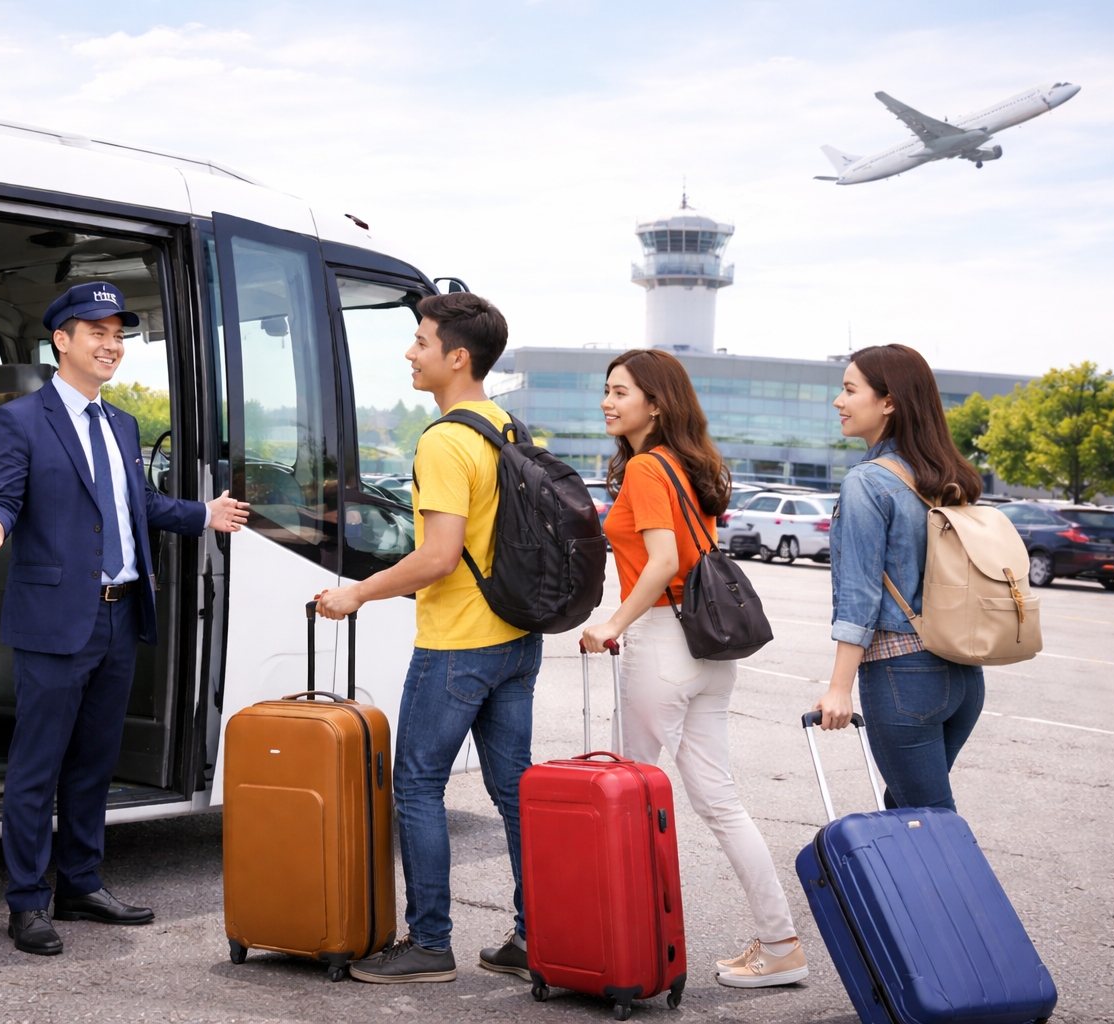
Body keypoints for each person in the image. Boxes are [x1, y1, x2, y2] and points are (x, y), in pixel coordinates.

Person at [0, 281, 249, 957]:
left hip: (119, 617)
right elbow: (0, 496)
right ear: (62, 341)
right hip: (57, 620)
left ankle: (81, 883)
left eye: (118, 335)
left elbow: (137, 505)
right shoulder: (20, 420)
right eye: (97, 332)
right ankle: (27, 903)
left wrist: (202, 514)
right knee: (36, 768)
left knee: (94, 765)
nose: (111, 345)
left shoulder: (120, 423)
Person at [314, 292, 538, 984]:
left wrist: (356, 591)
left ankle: (431, 942)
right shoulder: (507, 426)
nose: (410, 354)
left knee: (414, 785)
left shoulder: (445, 440)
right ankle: (539, 933)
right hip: (516, 637)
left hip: (458, 643)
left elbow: (438, 556)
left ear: (457, 357)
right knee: (513, 792)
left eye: (420, 342)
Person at [580, 349, 807, 989]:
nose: (607, 401)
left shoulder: (649, 469)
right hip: (707, 651)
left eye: (620, 392)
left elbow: (659, 562)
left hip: (661, 641)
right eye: (606, 390)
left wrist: (610, 625)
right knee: (721, 803)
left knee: (628, 799)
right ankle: (780, 944)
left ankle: (634, 946)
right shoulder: (688, 464)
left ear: (655, 403)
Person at [814, 344, 985, 812]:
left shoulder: (868, 481)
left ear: (888, 401)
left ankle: (961, 891)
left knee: (930, 822)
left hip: (903, 675)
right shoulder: (946, 475)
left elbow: (860, 595)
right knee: (907, 809)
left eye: (850, 390)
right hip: (964, 677)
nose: (839, 401)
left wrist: (838, 687)